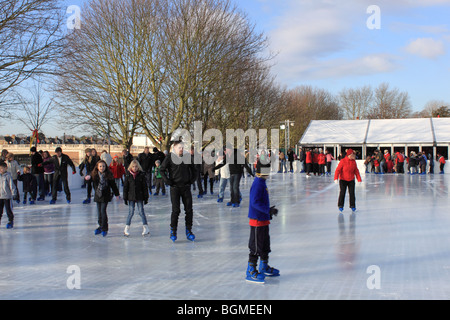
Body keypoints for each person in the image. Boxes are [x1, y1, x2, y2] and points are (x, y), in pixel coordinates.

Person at [246, 160, 280, 283]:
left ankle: (264, 266)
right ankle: (250, 270)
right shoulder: (257, 184)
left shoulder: (262, 182)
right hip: (257, 221)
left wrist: (268, 211)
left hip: (264, 220)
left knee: (265, 245)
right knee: (255, 247)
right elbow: (254, 202)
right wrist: (268, 210)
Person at [160, 140, 197, 242]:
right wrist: (168, 181)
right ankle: (173, 231)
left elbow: (194, 169)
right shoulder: (169, 157)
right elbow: (161, 169)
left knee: (189, 210)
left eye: (182, 147)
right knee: (176, 210)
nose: (181, 149)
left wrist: (191, 180)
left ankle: (188, 230)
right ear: (174, 148)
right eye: (179, 147)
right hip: (175, 188)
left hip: (185, 187)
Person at [85, 160, 120, 237]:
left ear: (106, 167)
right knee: (99, 213)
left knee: (103, 211)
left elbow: (113, 185)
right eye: (100, 166)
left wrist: (117, 194)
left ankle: (105, 228)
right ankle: (100, 226)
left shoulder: (108, 175)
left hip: (105, 196)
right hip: (98, 196)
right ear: (97, 167)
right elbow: (89, 179)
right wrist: (88, 177)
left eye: (103, 166)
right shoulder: (94, 175)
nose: (102, 168)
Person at [123, 160, 149, 237]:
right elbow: (125, 187)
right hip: (131, 197)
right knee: (131, 212)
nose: (134, 168)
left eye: (136, 166)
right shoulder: (128, 176)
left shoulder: (141, 175)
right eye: (133, 166)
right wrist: (125, 198)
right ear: (131, 167)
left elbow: (145, 187)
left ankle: (146, 227)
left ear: (138, 167)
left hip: (139, 196)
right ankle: (126, 228)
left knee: (141, 211)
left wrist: (146, 197)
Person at [0, 162, 17, 229]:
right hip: (0, 196)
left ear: (6, 168)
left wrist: (14, 193)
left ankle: (10, 221)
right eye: (0, 168)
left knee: (8, 210)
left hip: (7, 196)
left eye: (2, 168)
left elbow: (11, 185)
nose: (1, 170)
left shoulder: (8, 176)